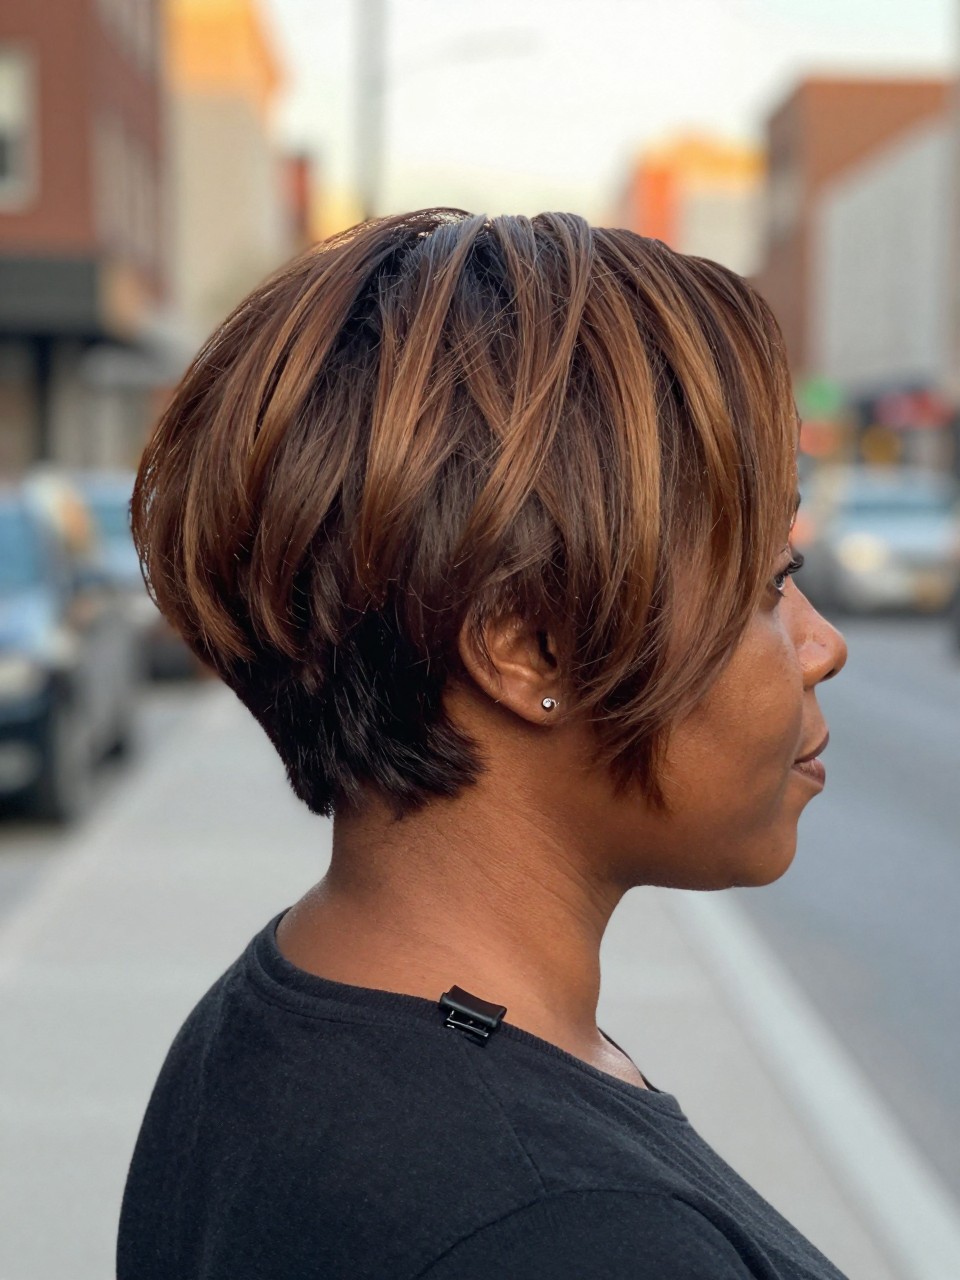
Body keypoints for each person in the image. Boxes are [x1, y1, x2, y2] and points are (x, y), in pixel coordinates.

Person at [118, 209, 848, 1279]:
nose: (821, 645)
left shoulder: (278, 1013)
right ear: (528, 646)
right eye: (770, 586)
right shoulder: (566, 1233)